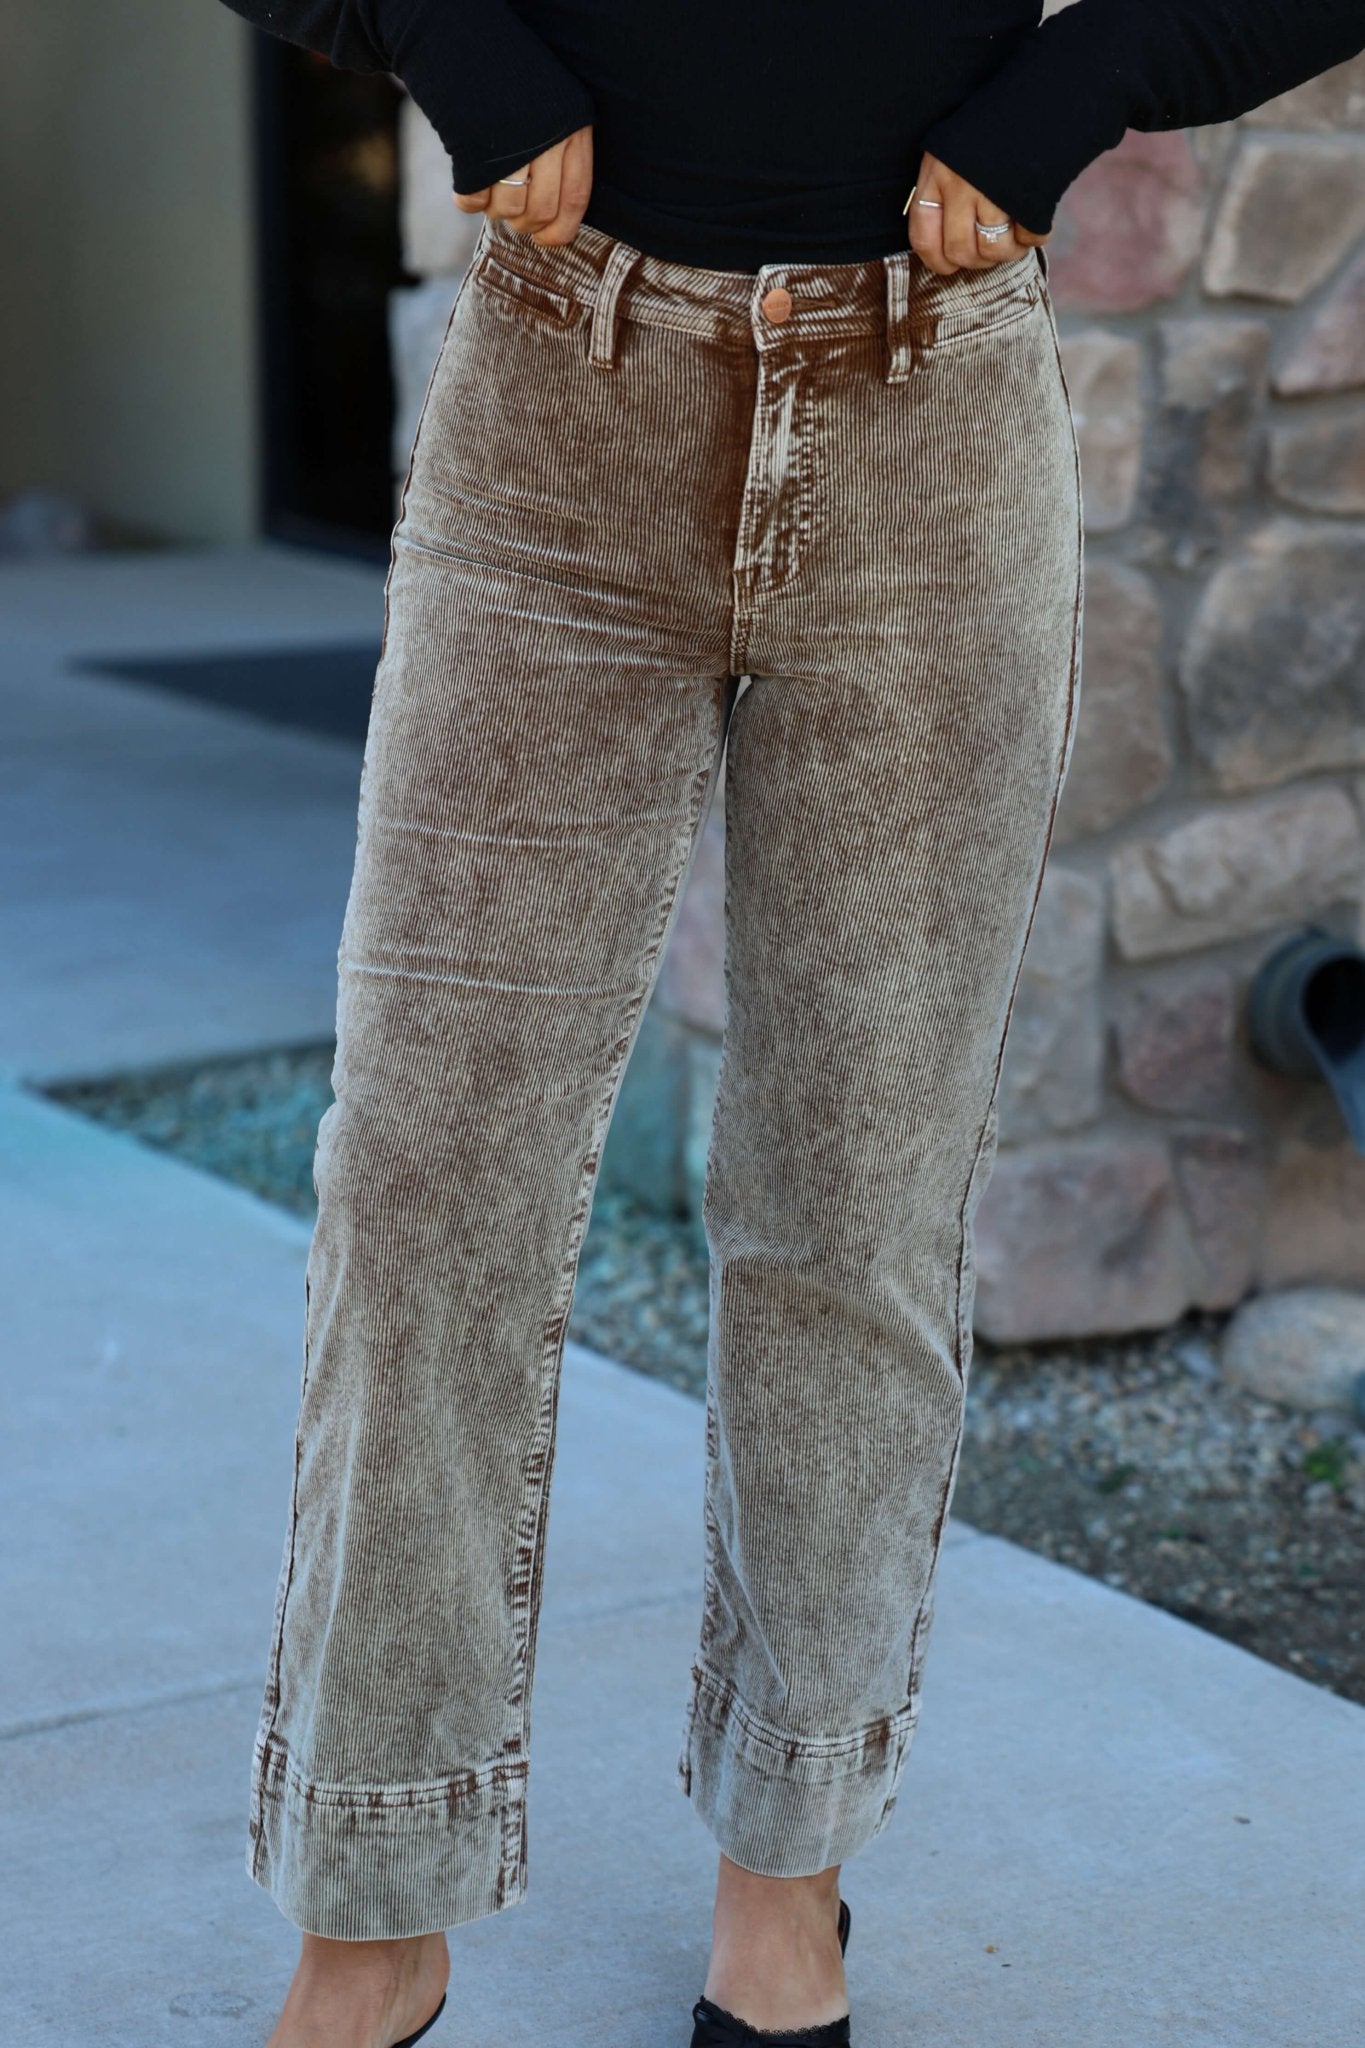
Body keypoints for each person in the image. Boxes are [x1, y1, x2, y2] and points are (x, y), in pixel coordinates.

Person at [216, 5, 1365, 2045]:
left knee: (854, 1200)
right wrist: (445, 28)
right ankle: (372, 1901)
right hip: (561, 404)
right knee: (424, 1185)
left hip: (929, 411)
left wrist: (1073, 86)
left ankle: (788, 1867)